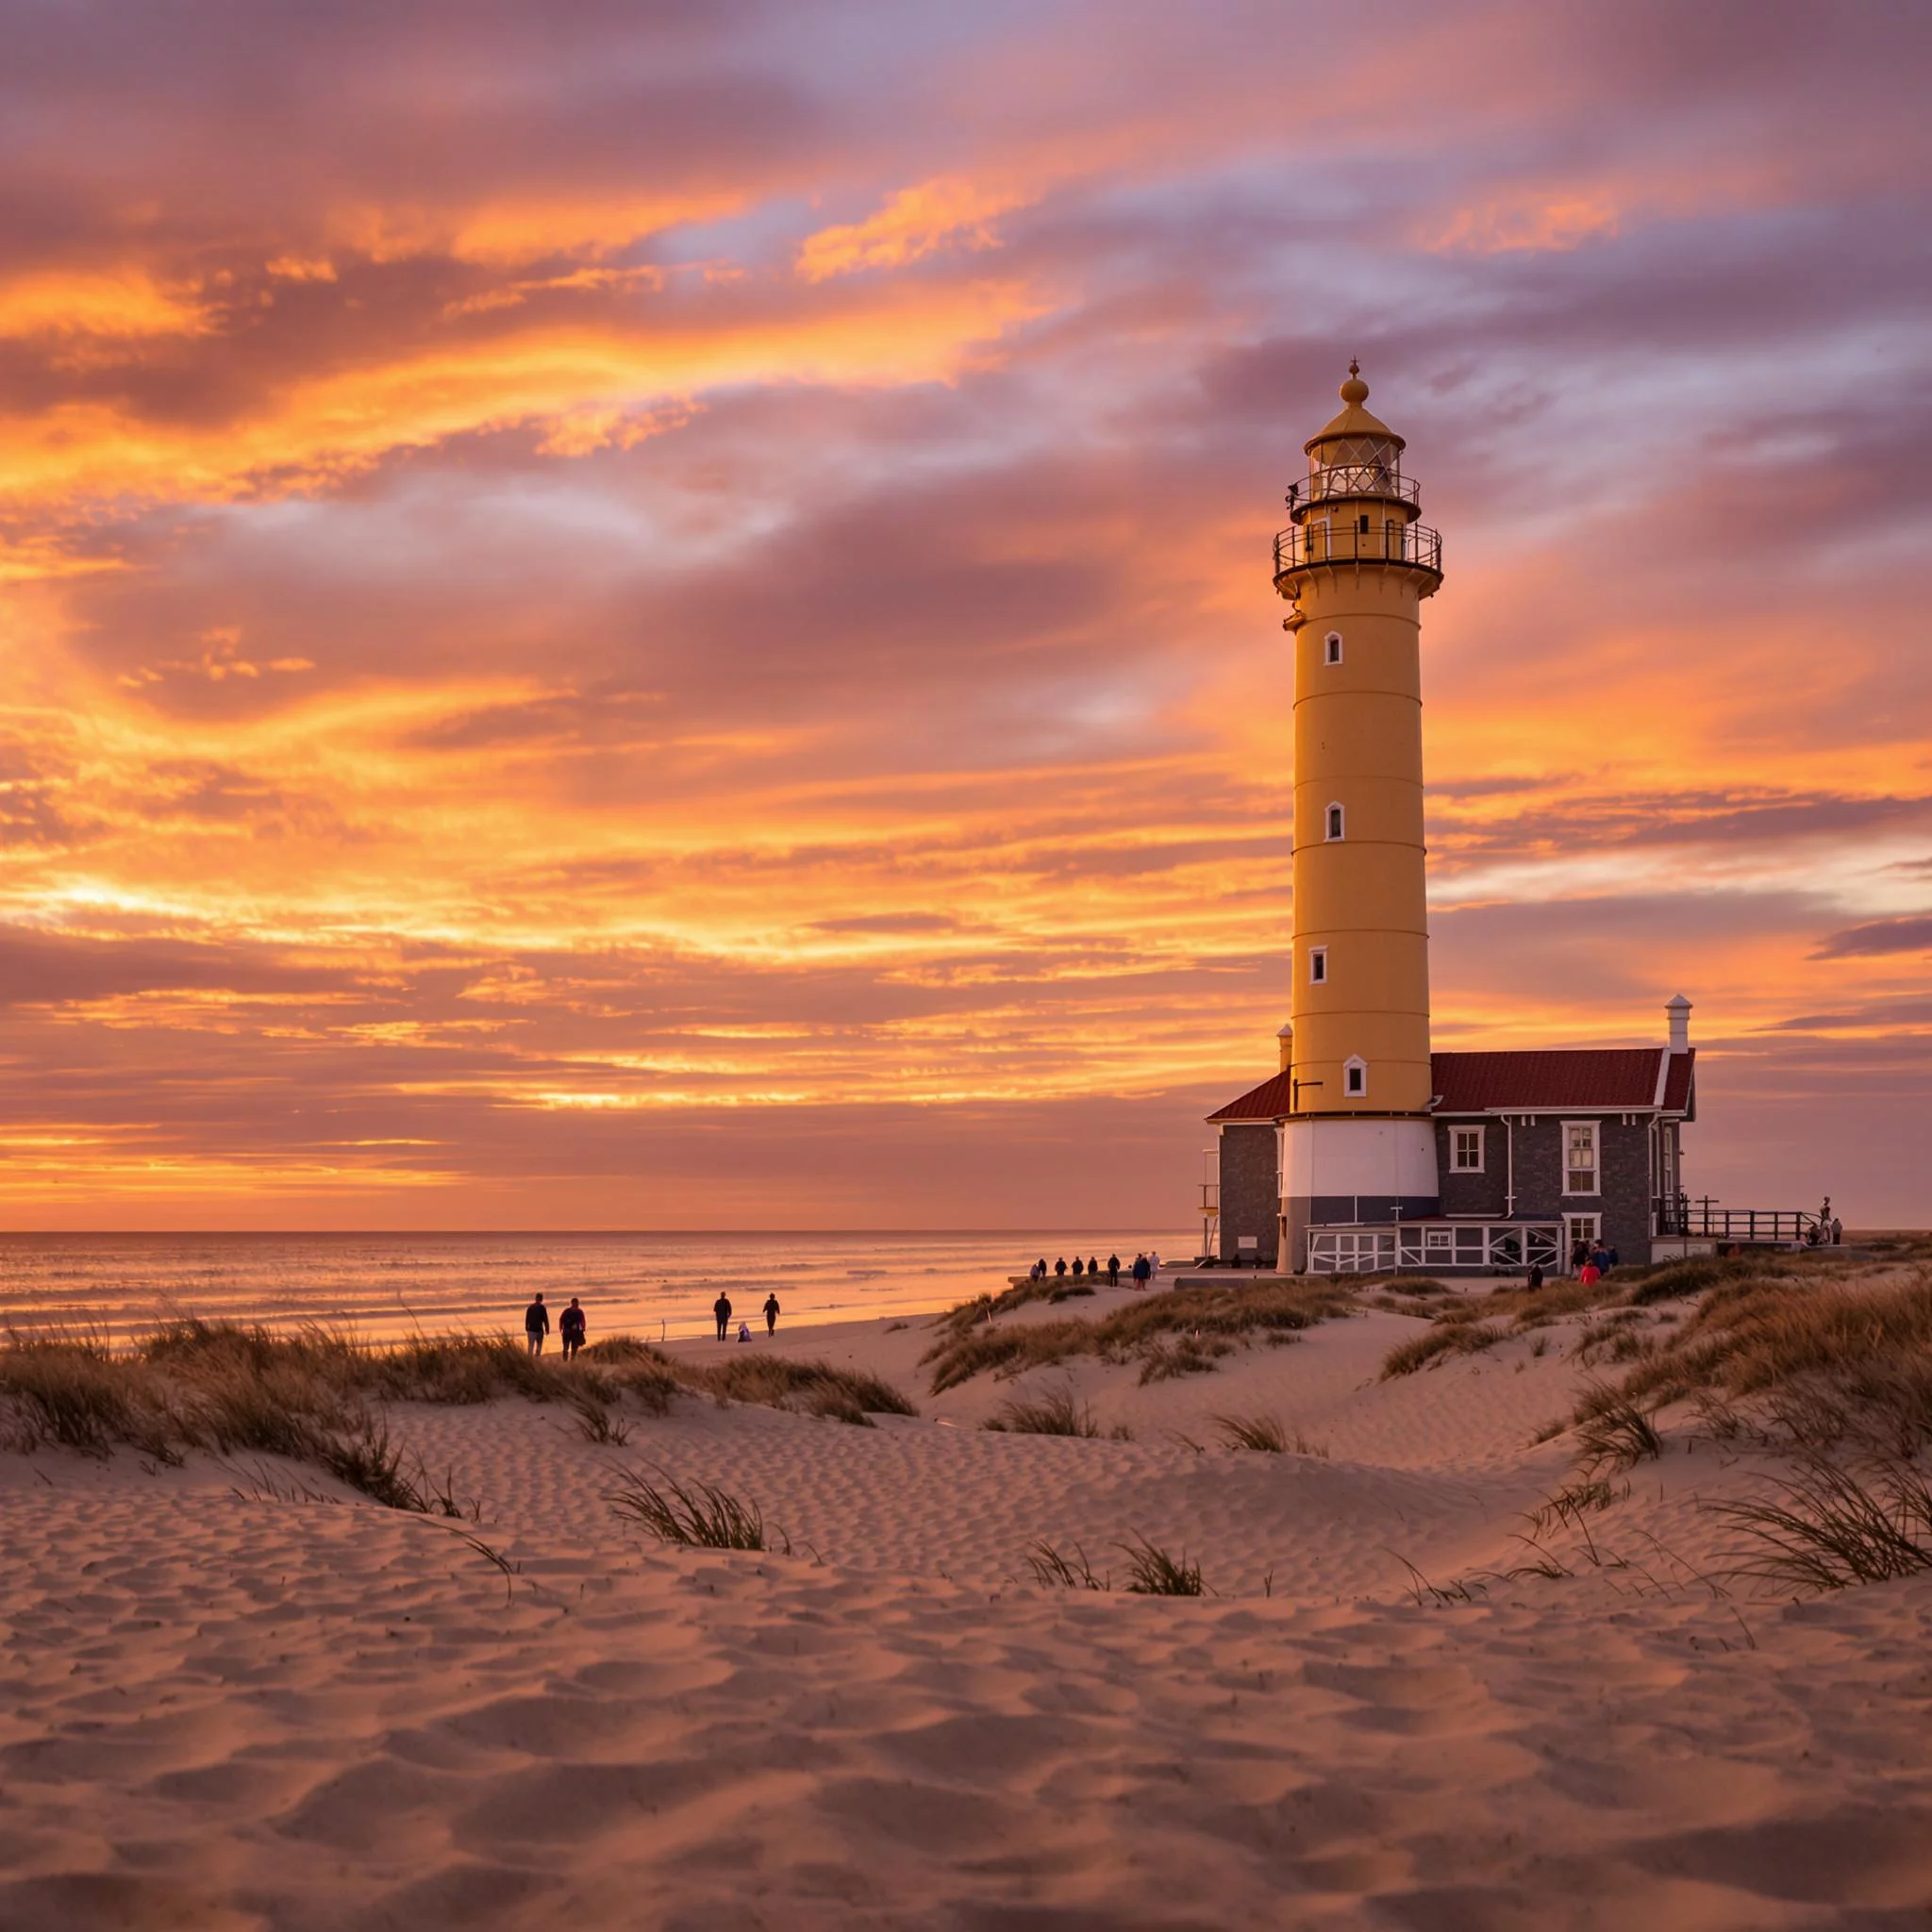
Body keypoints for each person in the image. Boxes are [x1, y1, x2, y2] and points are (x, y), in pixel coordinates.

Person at [558, 1296, 586, 1361]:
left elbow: (582, 1322)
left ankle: (570, 1361)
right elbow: (561, 1319)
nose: (575, 1304)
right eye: (574, 1303)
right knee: (567, 1348)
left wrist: (582, 1329)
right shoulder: (568, 1311)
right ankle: (567, 1361)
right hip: (568, 1332)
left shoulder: (579, 1312)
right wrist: (561, 1328)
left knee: (573, 1348)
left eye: (576, 1303)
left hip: (573, 1332)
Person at [524, 1292, 550, 1357]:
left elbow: (545, 1319)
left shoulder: (539, 1308)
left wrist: (547, 1328)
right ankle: (532, 1359)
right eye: (538, 1298)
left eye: (539, 1299)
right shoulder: (532, 1308)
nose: (538, 1300)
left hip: (537, 1330)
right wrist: (526, 1327)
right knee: (533, 1346)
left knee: (536, 1346)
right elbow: (527, 1318)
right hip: (534, 1330)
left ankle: (535, 1359)